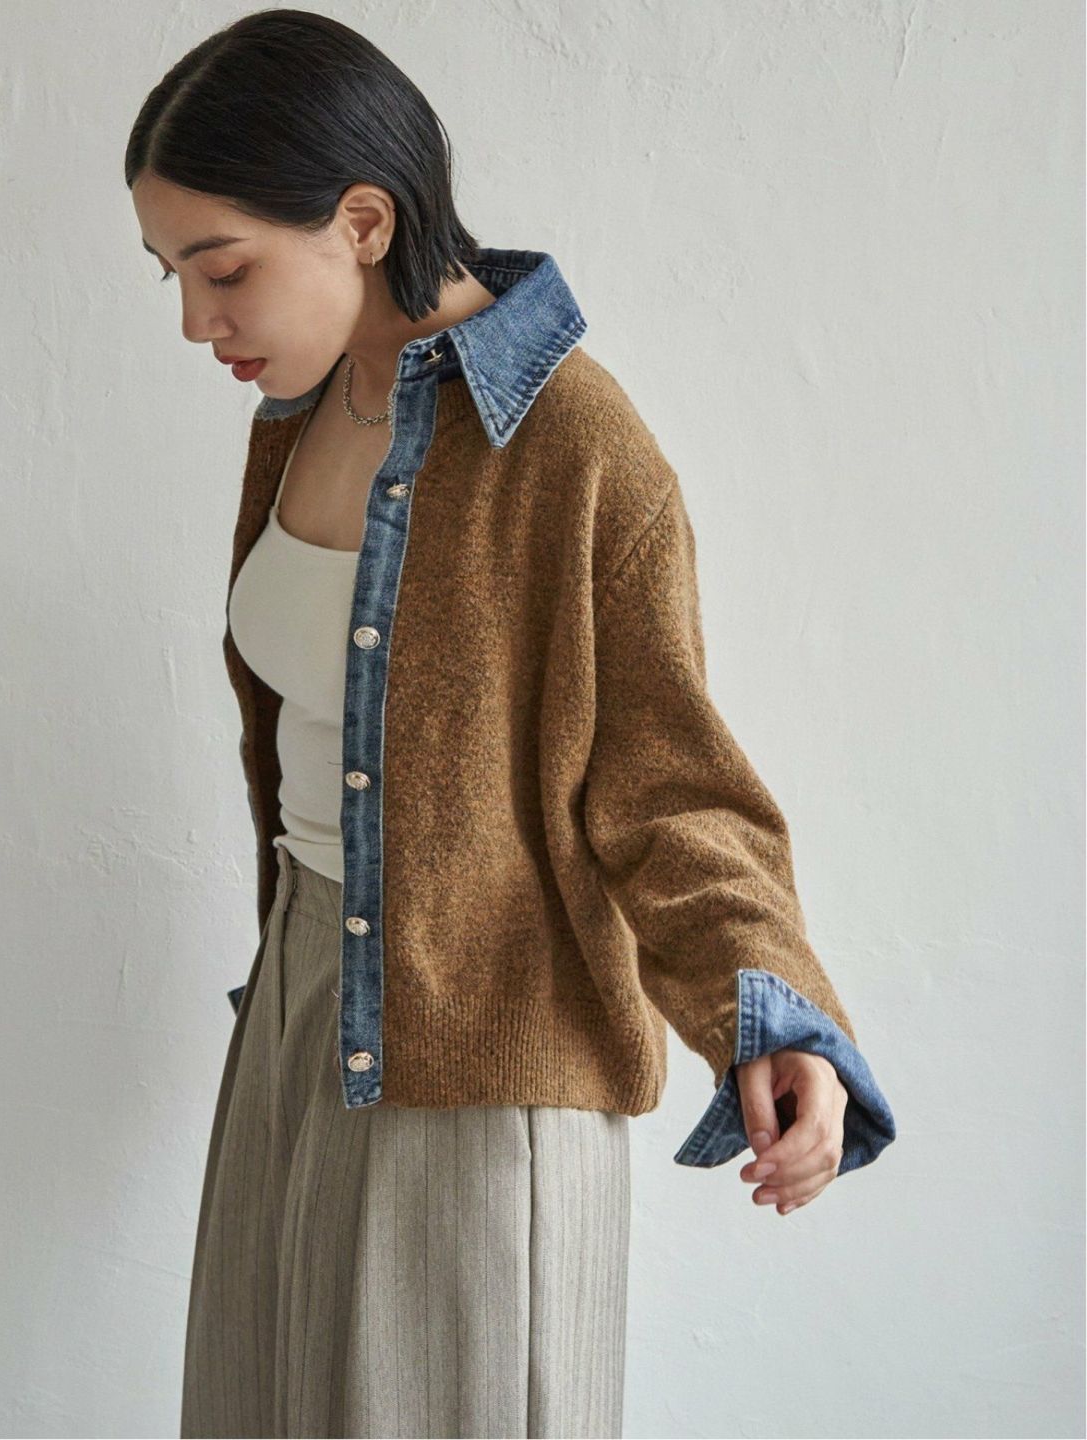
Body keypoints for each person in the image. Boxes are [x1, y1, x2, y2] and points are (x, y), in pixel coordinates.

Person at [127, 9, 895, 1438]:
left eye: (222, 269)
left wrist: (768, 1012)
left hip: (482, 1069)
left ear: (363, 222)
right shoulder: (301, 415)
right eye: (172, 275)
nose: (195, 321)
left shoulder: (576, 446)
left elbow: (668, 785)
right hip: (303, 1008)